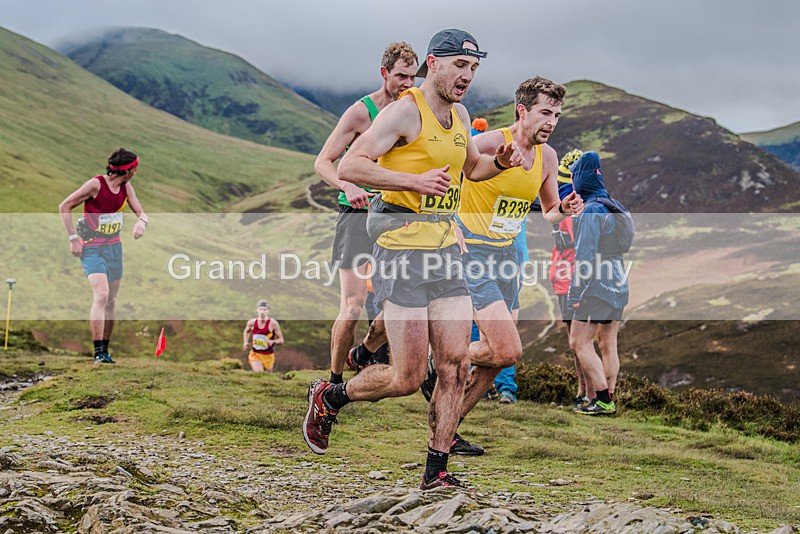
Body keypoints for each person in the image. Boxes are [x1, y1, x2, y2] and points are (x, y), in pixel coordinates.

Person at [304, 28, 523, 490]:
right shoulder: (404, 110)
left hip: (446, 252)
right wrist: (413, 182)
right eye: (459, 66)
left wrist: (500, 163)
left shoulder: (461, 114)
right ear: (434, 63)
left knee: (455, 364)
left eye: (474, 68)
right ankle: (331, 396)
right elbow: (350, 166)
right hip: (400, 255)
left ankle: (436, 471)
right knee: (406, 376)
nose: (467, 76)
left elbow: (472, 170)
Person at [454, 76, 583, 434]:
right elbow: (451, 172)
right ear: (522, 111)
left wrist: (566, 207)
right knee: (503, 346)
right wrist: (448, 222)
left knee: (499, 356)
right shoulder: (490, 141)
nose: (551, 122)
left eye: (557, 114)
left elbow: (548, 211)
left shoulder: (548, 156)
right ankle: (441, 358)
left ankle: (452, 422)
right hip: (472, 249)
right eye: (545, 112)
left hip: (508, 255)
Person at [314, 42, 418, 385]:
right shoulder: (361, 112)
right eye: (401, 75)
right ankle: (333, 381)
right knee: (354, 306)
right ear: (384, 73)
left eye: (413, 76)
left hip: (396, 216)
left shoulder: (414, 111)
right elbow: (323, 162)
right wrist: (348, 187)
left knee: (404, 301)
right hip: (357, 216)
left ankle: (365, 352)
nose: (407, 83)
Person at [58, 148, 148, 364]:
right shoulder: (96, 185)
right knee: (101, 295)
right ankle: (98, 353)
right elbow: (64, 206)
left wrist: (141, 222)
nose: (136, 172)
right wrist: (72, 238)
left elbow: (141, 212)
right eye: (135, 168)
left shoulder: (127, 188)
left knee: (111, 300)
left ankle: (105, 351)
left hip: (114, 248)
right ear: (127, 170)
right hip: (92, 247)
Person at [567, 151, 627, 416]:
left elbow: (585, 256)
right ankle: (610, 394)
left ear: (581, 180)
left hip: (596, 283)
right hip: (618, 279)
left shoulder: (591, 209)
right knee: (608, 342)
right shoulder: (614, 204)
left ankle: (602, 399)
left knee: (578, 341)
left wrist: (574, 292)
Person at [549, 149, 591, 409]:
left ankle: (591, 393)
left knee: (581, 342)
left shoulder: (585, 211)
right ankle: (582, 390)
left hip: (575, 282)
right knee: (574, 342)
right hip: (562, 282)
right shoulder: (563, 207)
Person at [242, 300, 284, 372]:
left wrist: (273, 341)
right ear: (257, 310)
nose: (262, 312)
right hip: (255, 353)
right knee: (259, 373)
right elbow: (246, 331)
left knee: (268, 377)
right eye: (260, 309)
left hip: (268, 355)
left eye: (264, 309)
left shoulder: (273, 323)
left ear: (268, 310)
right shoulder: (251, 322)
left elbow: (281, 340)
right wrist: (245, 341)